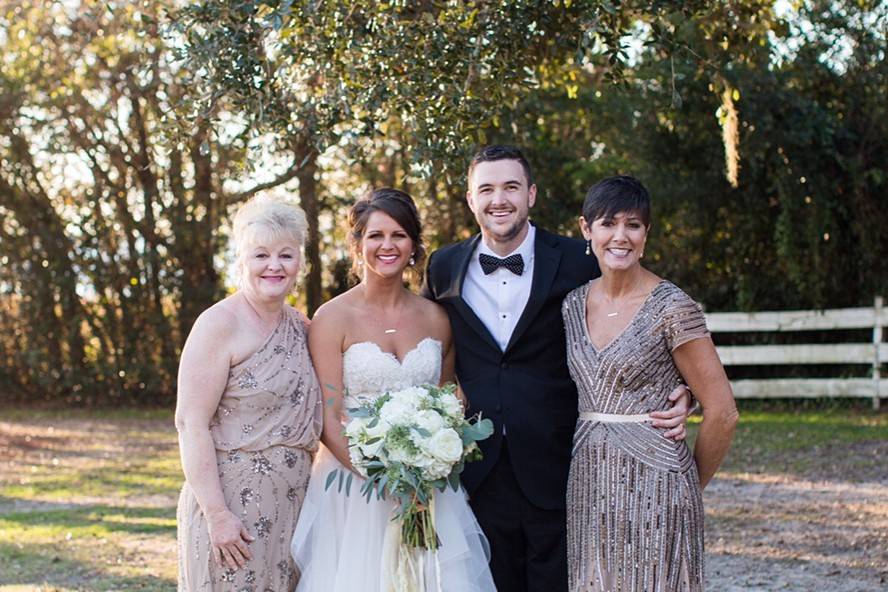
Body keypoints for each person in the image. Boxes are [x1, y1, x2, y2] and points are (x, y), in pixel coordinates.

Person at [422, 145, 692, 592]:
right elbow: (427, 344)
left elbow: (643, 316)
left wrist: (684, 387)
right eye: (485, 189)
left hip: (562, 460)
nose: (499, 199)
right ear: (470, 200)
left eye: (511, 187)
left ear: (531, 194)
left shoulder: (579, 258)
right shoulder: (443, 266)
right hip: (477, 466)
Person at [290, 188, 496, 591]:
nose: (388, 245)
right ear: (357, 244)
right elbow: (328, 416)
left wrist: (425, 468)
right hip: (355, 490)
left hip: (429, 493)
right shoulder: (332, 318)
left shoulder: (437, 318)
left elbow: (448, 403)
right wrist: (383, 478)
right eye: (376, 235)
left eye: (399, 235)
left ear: (415, 246)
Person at [562, 175, 738, 591]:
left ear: (646, 234)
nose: (620, 236)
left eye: (633, 225)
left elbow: (724, 412)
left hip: (659, 483)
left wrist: (689, 486)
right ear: (587, 229)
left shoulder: (673, 306)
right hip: (588, 478)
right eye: (608, 223)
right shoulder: (571, 305)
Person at [175, 197, 323, 591]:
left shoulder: (305, 328)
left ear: (300, 263)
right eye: (261, 254)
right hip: (231, 513)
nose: (274, 265)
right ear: (241, 260)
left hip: (295, 506)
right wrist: (217, 515)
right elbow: (191, 424)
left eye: (285, 255)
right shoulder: (218, 324)